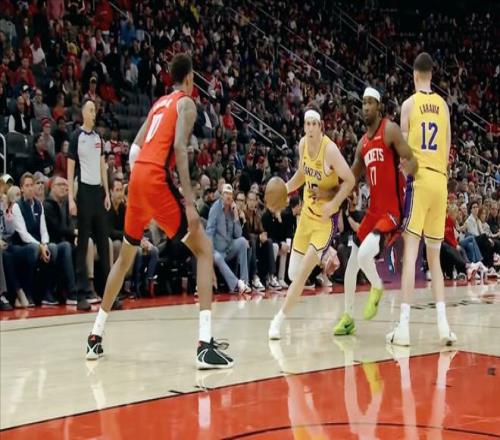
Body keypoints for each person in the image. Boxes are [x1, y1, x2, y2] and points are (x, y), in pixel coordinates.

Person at [86, 53, 233, 369]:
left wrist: (140, 186)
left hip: (138, 175)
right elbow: (179, 147)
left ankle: (95, 337)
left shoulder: (158, 104)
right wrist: (189, 203)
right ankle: (204, 344)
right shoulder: (186, 103)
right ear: (190, 79)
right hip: (154, 177)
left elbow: (134, 148)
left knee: (125, 258)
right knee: (205, 249)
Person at [333, 87, 417, 335]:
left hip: (391, 212)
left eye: (370, 103)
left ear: (379, 107)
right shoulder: (362, 144)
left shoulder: (390, 130)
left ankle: (377, 286)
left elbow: (411, 159)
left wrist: (410, 169)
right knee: (351, 264)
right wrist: (334, 193)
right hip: (373, 212)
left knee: (363, 256)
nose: (366, 107)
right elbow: (351, 177)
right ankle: (348, 317)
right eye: (363, 103)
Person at [387, 52, 457, 346]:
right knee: (435, 258)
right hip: (440, 182)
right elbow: (448, 146)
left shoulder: (409, 104)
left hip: (420, 180)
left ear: (415, 75)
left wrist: (405, 172)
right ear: (431, 75)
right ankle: (443, 327)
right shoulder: (443, 105)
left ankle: (404, 328)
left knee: (411, 255)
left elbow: (403, 151)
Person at [268, 103, 355, 340]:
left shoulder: (330, 151)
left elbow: (349, 180)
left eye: (314, 124)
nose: (309, 128)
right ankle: (324, 257)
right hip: (306, 218)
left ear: (321, 126)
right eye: (306, 124)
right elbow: (302, 174)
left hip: (324, 224)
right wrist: (285, 189)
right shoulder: (302, 145)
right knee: (292, 274)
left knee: (302, 274)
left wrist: (334, 204)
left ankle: (278, 321)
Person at [67, 99, 111, 311]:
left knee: (103, 243)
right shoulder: (76, 136)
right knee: (83, 244)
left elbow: (102, 166)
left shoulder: (98, 138)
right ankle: (81, 294)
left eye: (95, 110)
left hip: (98, 193)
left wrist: (107, 193)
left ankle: (109, 293)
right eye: (91, 110)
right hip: (83, 192)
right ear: (84, 113)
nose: (94, 113)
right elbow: (70, 169)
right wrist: (71, 198)